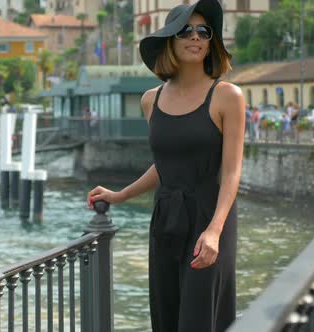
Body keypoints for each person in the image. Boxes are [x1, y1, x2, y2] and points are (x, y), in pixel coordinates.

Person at [86, 0, 244, 330]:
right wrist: (121, 195)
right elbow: (166, 165)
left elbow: (231, 171)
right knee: (167, 315)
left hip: (208, 219)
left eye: (204, 31)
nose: (196, 37)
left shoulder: (228, 96)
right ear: (169, 39)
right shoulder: (151, 100)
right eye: (186, 30)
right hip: (165, 218)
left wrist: (214, 231)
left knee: (199, 319)